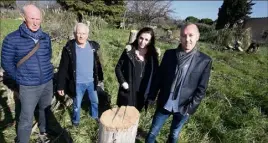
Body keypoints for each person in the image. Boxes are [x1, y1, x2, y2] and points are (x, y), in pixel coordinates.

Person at [145, 23, 212, 143]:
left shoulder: (204, 60)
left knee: (174, 135)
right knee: (152, 133)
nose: (187, 39)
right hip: (164, 103)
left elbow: (201, 89)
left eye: (191, 35)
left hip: (183, 107)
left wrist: (189, 109)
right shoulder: (169, 54)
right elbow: (159, 77)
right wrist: (151, 96)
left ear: (197, 36)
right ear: (180, 37)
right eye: (184, 35)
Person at [1, 4, 54, 143]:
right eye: (32, 18)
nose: (36, 22)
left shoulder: (45, 37)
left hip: (47, 82)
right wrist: (20, 78)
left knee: (45, 110)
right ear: (24, 17)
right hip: (28, 86)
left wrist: (47, 73)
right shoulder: (11, 39)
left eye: (38, 19)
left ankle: (43, 133)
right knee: (26, 118)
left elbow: (48, 56)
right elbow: (6, 63)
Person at [57, 23, 103, 126]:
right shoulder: (69, 48)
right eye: (78, 33)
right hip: (77, 83)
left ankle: (94, 116)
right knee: (77, 105)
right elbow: (63, 68)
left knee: (95, 101)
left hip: (91, 82)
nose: (81, 36)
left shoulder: (93, 46)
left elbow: (97, 63)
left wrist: (100, 77)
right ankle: (76, 121)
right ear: (74, 34)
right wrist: (60, 85)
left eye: (84, 33)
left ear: (87, 34)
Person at [115, 27, 159, 111]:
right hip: (128, 90)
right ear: (137, 37)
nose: (143, 42)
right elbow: (118, 68)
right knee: (123, 114)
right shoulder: (129, 51)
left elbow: (155, 76)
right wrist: (123, 82)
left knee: (135, 116)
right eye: (141, 38)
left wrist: (151, 94)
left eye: (146, 40)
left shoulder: (153, 56)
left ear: (151, 41)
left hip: (142, 93)